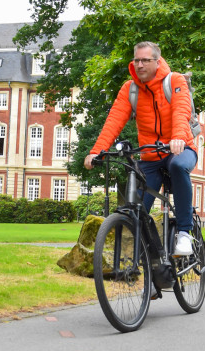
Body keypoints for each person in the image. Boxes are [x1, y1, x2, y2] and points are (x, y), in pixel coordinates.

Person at [84, 41, 198, 257]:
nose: (140, 64)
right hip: (150, 155)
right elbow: (114, 120)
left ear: (157, 61)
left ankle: (185, 233)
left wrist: (177, 138)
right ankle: (150, 264)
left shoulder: (175, 80)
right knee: (137, 210)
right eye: (136, 60)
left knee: (178, 166)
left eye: (146, 60)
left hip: (179, 147)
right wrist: (97, 150)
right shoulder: (130, 89)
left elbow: (181, 112)